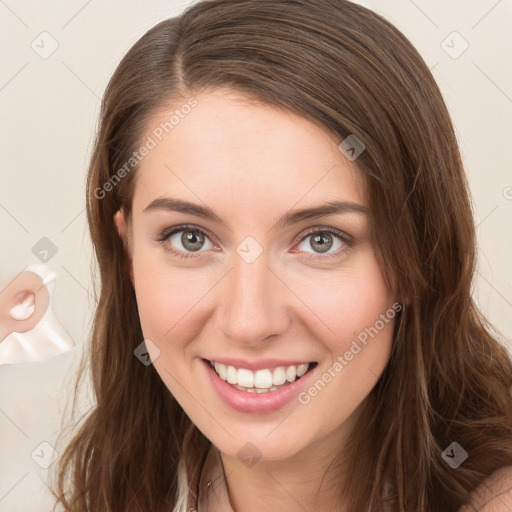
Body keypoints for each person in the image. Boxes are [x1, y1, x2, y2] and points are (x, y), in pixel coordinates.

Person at [50, 0, 512, 510]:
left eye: (321, 240)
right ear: (128, 253)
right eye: (190, 238)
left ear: (417, 255)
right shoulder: (126, 491)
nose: (249, 322)